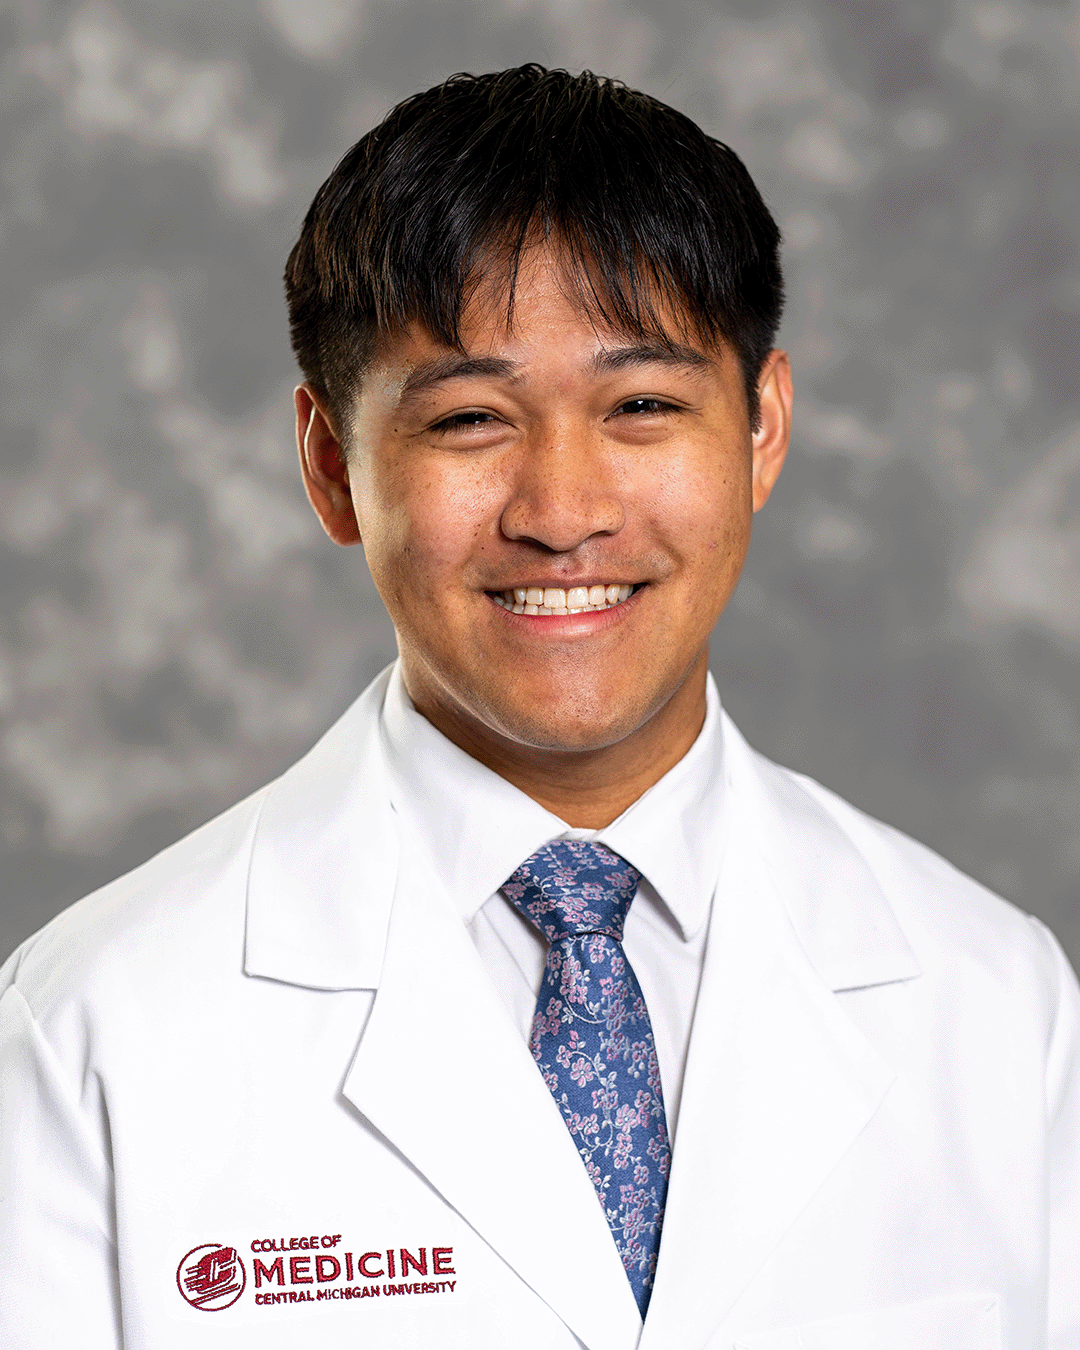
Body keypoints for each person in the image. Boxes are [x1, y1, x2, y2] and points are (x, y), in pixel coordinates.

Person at [0, 63, 1076, 1350]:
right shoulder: (87, 1035)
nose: (563, 512)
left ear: (763, 430)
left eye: (642, 406)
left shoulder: (998, 1002)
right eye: (469, 419)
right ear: (330, 466)